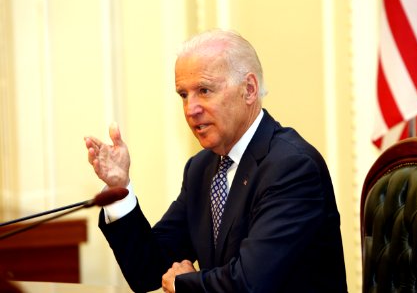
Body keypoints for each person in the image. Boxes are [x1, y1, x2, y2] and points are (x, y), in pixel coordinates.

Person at [84, 29, 347, 293]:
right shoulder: (202, 169)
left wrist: (184, 284)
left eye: (204, 90)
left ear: (249, 89)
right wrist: (120, 190)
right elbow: (149, 271)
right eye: (183, 95)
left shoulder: (292, 167)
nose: (191, 109)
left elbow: (250, 283)